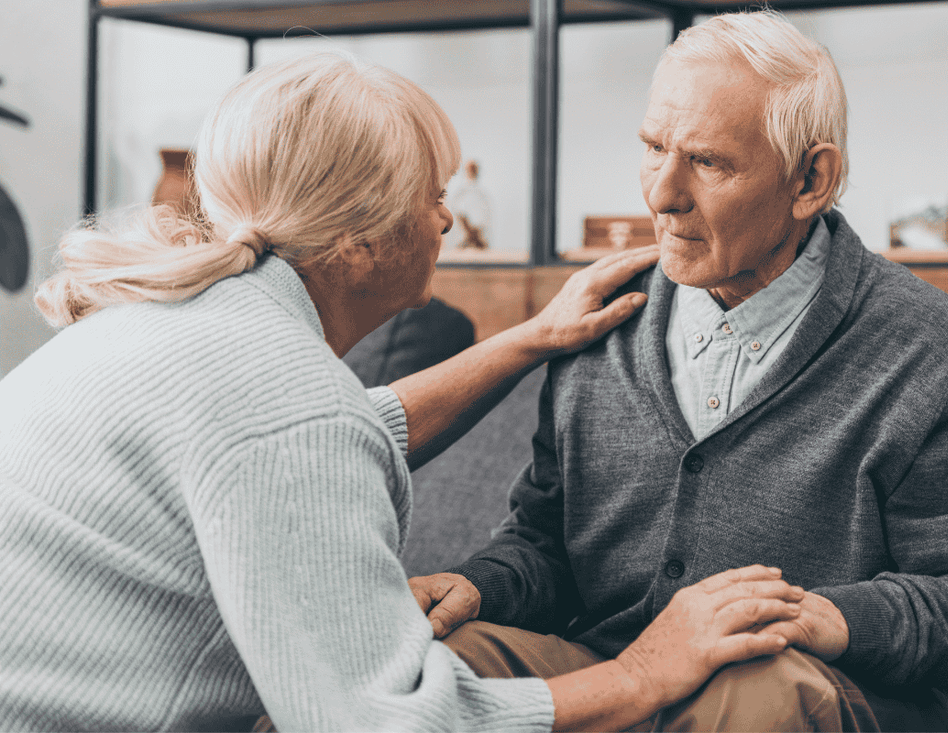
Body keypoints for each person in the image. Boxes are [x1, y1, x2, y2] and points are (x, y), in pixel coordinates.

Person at [0, 53, 810, 732]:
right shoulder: (287, 405)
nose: (447, 222)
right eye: (431, 196)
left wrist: (528, 338)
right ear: (357, 244)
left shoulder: (197, 323)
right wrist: (642, 673)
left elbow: (344, 428)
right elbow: (385, 724)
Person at [410, 10, 948, 732]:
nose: (661, 194)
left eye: (708, 162)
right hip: (610, 672)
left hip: (815, 687)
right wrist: (477, 586)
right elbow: (544, 545)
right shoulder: (601, 316)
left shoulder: (925, 346)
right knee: (429, 662)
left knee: (754, 687)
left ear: (810, 179)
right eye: (653, 147)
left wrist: (828, 616)